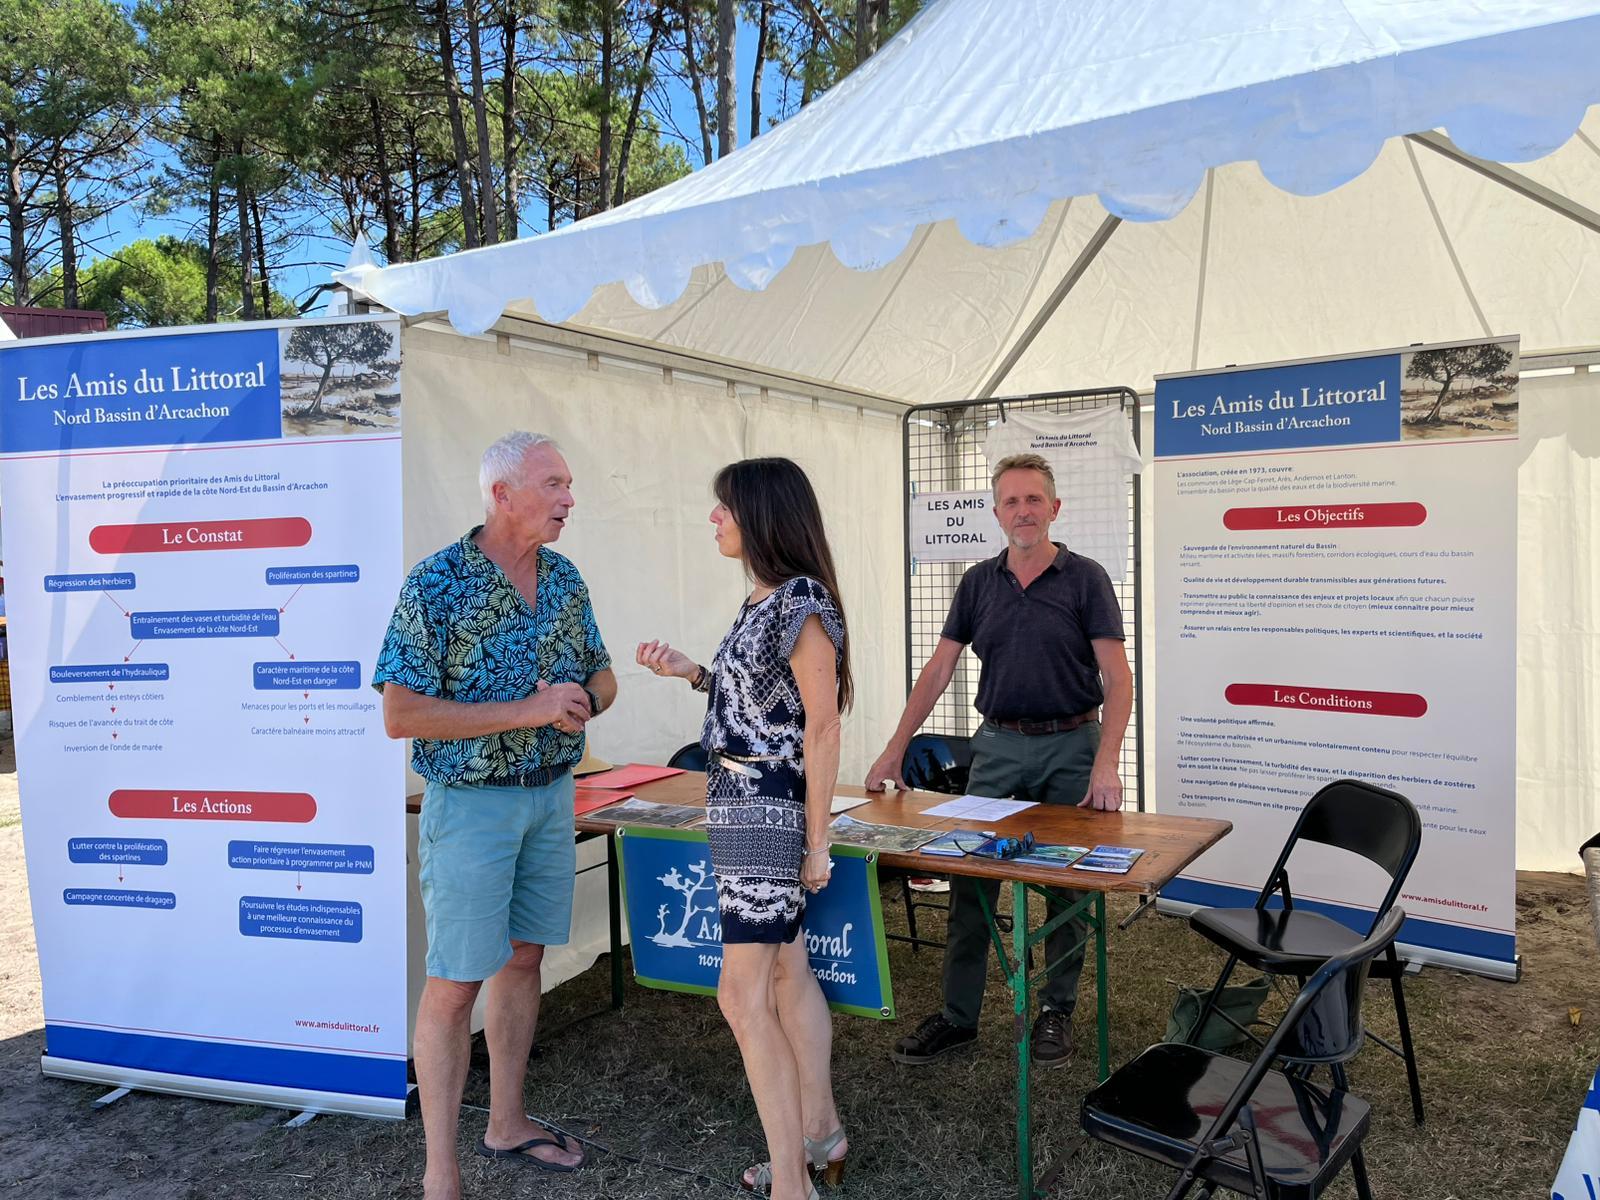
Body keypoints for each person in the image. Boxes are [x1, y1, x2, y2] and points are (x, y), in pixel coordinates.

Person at [374, 431, 617, 1200]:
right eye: (554, 484)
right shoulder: (437, 582)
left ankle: (506, 1122)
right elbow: (401, 714)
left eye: (569, 484)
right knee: (454, 983)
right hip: (471, 807)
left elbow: (603, 676)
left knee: (523, 959)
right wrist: (528, 710)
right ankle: (439, 1174)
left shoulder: (565, 578)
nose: (569, 498)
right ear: (502, 494)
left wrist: (583, 702)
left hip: (551, 794)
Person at [864, 451, 1132, 1070]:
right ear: (996, 513)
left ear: (1055, 508)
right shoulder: (978, 582)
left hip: (1072, 745)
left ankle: (1056, 1010)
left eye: (1034, 499)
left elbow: (1118, 678)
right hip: (998, 746)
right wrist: (894, 747)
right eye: (1011, 501)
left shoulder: (1086, 578)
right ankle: (958, 1017)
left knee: (1067, 884)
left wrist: (1107, 763)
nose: (1023, 511)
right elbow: (939, 669)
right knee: (970, 877)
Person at [636, 458, 851, 1200]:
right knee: (788, 972)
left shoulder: (801, 599)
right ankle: (819, 1134)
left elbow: (822, 728)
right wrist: (694, 673)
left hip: (765, 808)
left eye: (723, 507)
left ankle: (792, 1182)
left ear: (760, 514)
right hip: (739, 801)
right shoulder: (763, 599)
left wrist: (817, 844)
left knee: (741, 994)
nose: (713, 519)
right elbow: (759, 703)